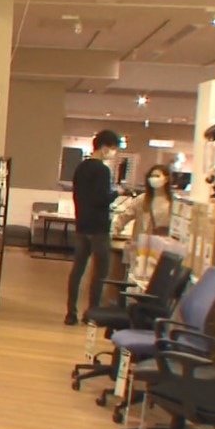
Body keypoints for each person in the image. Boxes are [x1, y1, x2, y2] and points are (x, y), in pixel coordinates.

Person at [65, 129, 122, 325]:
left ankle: (70, 312)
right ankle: (92, 313)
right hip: (99, 228)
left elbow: (79, 196)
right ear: (105, 147)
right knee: (100, 272)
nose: (113, 153)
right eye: (113, 149)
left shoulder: (81, 167)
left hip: (82, 224)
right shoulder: (102, 170)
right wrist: (117, 193)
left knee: (78, 269)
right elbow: (101, 199)